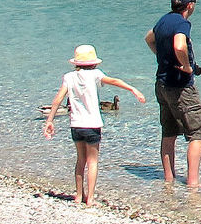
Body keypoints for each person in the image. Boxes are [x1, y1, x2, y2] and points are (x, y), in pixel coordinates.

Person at [42, 45, 145, 205]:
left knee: (80, 160)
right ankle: (90, 198)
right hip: (92, 125)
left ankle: (78, 196)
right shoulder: (96, 74)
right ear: (94, 63)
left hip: (76, 126)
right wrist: (133, 89)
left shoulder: (69, 77)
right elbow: (114, 81)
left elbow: (57, 100)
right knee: (92, 162)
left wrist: (50, 121)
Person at [147, 0, 201, 188]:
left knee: (169, 132)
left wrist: (162, 56)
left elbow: (149, 39)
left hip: (162, 84)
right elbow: (179, 45)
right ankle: (192, 183)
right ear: (189, 5)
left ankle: (169, 179)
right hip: (180, 87)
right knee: (197, 133)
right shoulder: (182, 24)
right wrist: (186, 66)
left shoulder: (164, 20)